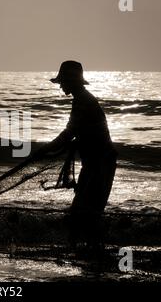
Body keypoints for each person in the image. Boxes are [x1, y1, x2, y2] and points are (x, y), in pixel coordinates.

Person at [38, 60, 117, 249]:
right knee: (85, 213)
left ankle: (89, 251)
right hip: (95, 163)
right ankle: (87, 252)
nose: (61, 86)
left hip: (100, 164)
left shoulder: (83, 101)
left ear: (71, 82)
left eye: (63, 82)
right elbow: (81, 133)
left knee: (85, 213)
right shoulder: (82, 99)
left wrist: (45, 149)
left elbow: (68, 134)